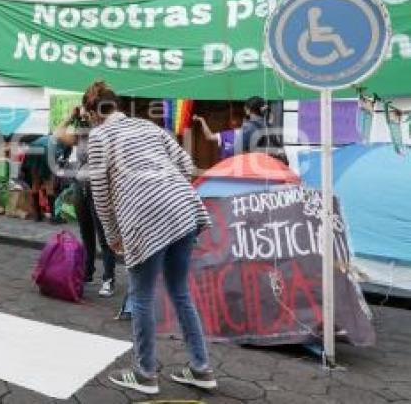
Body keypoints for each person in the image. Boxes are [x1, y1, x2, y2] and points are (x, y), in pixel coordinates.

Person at [85, 81, 215, 396]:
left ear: (93, 112)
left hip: (144, 219)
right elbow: (186, 165)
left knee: (141, 296)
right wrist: (164, 189)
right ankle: (201, 368)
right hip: (183, 210)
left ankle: (145, 374)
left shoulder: (99, 136)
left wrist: (113, 236)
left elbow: (100, 194)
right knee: (180, 292)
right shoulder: (147, 125)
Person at [54, 106, 116, 297]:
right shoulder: (81, 137)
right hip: (80, 188)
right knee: (86, 234)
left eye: (89, 114)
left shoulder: (104, 134)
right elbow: (58, 133)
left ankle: (109, 279)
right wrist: (71, 116)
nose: (85, 118)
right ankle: (88, 273)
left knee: (104, 236)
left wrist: (94, 121)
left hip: (99, 189)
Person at [193, 96, 284, 160]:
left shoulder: (248, 127)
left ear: (247, 111)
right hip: (271, 167)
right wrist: (202, 120)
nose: (234, 121)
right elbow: (209, 136)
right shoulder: (269, 126)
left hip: (254, 169)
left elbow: (236, 151)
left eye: (237, 117)